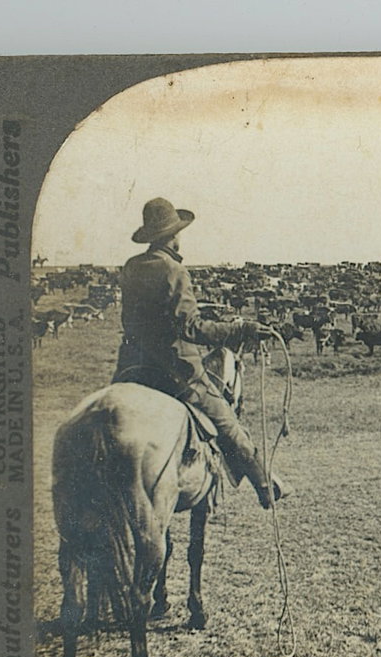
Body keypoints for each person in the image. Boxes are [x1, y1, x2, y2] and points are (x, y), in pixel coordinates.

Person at [111, 197, 286, 509]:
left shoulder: (131, 267)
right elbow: (190, 329)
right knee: (228, 423)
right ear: (174, 235)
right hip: (175, 370)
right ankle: (264, 484)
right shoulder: (174, 270)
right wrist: (239, 330)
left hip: (132, 368)